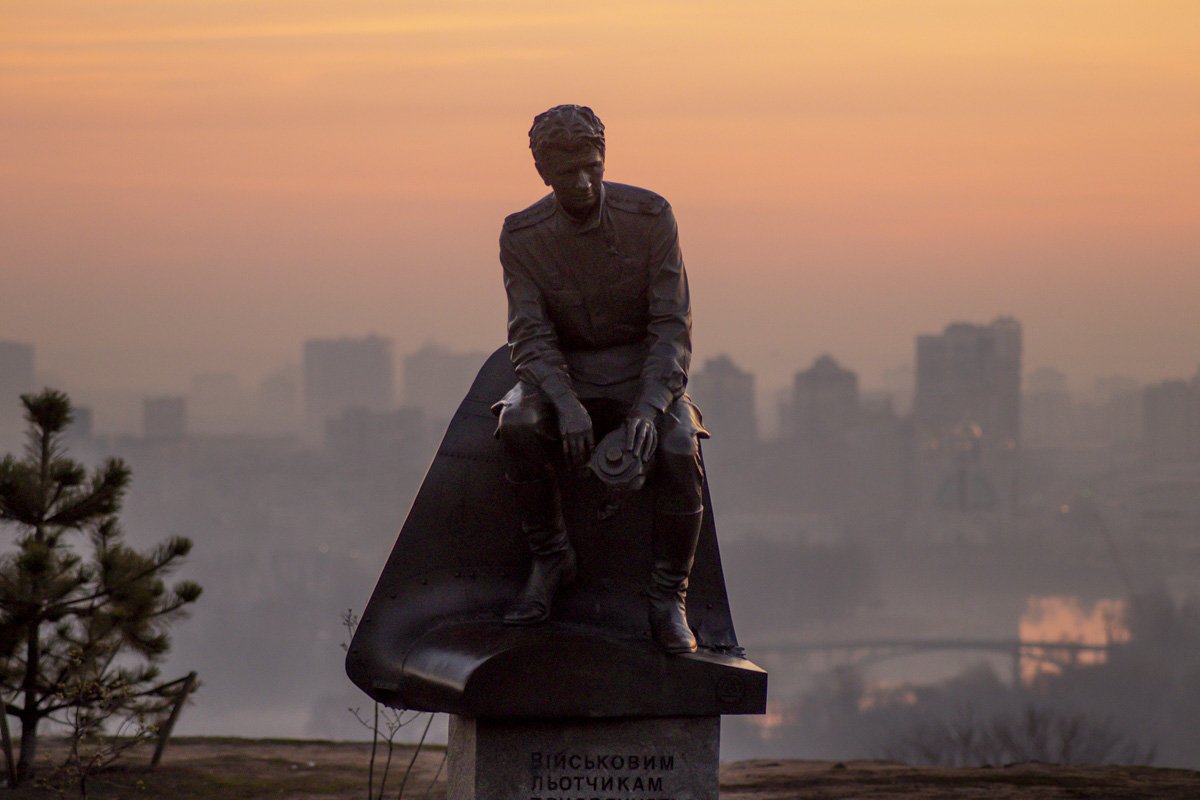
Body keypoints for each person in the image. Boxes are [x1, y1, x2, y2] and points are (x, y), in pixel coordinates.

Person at [492, 104, 708, 654]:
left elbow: (671, 325)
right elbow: (530, 335)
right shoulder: (522, 235)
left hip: (643, 373)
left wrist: (648, 409)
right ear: (544, 173)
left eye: (593, 166)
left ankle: (668, 594)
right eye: (569, 173)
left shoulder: (651, 217)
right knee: (518, 424)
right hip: (564, 372)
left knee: (678, 448)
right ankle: (551, 557)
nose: (585, 182)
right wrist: (564, 402)